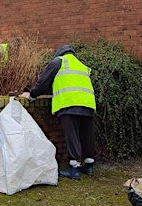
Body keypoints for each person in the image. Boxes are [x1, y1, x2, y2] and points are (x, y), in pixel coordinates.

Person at [19, 44, 96, 180]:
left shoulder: (59, 62)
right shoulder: (82, 65)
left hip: (69, 102)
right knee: (86, 135)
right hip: (88, 103)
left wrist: (32, 95)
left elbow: (43, 82)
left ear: (60, 53)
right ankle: (89, 166)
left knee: (72, 135)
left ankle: (75, 169)